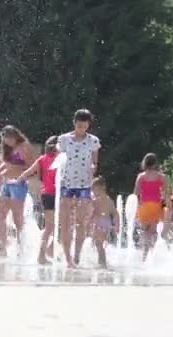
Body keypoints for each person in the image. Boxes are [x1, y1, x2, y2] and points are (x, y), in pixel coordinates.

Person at [57, 109, 101, 268]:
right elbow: (58, 160)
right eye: (79, 125)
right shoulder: (64, 140)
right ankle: (67, 257)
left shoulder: (93, 141)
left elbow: (95, 162)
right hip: (66, 183)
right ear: (74, 123)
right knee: (65, 221)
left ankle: (76, 256)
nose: (82, 128)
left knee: (81, 222)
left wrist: (93, 167)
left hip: (84, 184)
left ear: (89, 125)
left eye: (85, 125)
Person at [0, 125, 35, 257]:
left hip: (18, 184)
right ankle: (1, 248)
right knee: (0, 216)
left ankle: (21, 248)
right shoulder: (9, 148)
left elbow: (31, 167)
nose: (6, 143)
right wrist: (0, 169)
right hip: (7, 184)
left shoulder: (24, 146)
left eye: (8, 140)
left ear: (14, 136)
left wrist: (12, 168)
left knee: (18, 219)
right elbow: (8, 163)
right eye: (4, 141)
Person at [17, 136, 58, 264]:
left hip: (47, 195)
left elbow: (26, 173)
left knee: (51, 226)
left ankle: (47, 252)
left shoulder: (42, 159)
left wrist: (18, 181)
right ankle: (43, 254)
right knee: (55, 226)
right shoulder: (60, 159)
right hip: (56, 196)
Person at [134, 153, 169, 262]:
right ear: (155, 163)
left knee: (145, 232)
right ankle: (151, 256)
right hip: (155, 207)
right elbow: (167, 193)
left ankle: (144, 257)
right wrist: (168, 206)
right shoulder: (161, 177)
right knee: (153, 232)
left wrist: (136, 207)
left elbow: (135, 193)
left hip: (143, 207)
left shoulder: (141, 176)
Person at [91, 177, 118, 268]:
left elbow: (93, 212)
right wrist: (116, 224)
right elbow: (115, 213)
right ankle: (102, 261)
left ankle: (102, 263)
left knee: (98, 243)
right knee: (99, 244)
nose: (93, 192)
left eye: (95, 190)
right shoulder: (109, 200)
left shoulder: (97, 200)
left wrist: (88, 221)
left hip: (100, 223)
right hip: (106, 223)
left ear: (101, 188)